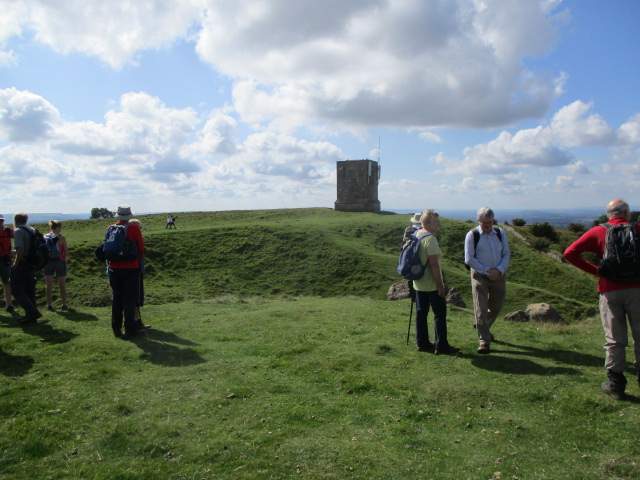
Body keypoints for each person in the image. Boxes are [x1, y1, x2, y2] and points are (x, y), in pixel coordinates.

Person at [564, 199, 640, 399]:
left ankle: (615, 384)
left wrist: (597, 272)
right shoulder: (637, 228)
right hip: (637, 289)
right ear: (627, 213)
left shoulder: (599, 231)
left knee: (614, 338)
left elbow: (569, 253)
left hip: (609, 291)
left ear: (609, 215)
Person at [464, 207, 510, 354]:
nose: (488, 225)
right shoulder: (472, 235)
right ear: (479, 221)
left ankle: (481, 325)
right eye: (484, 223)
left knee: (497, 306)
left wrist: (499, 270)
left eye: (490, 222)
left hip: (499, 275)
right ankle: (484, 340)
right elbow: (469, 258)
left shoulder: (500, 232)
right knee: (481, 308)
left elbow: (506, 253)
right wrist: (486, 271)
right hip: (479, 275)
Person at [413, 209, 458, 355]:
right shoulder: (430, 239)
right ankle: (442, 346)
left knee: (421, 314)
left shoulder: (416, 234)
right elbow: (434, 265)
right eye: (436, 222)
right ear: (428, 223)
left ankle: (422, 343)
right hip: (431, 285)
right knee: (439, 315)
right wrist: (441, 286)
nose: (438, 225)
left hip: (418, 283)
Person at [108, 206, 145, 338]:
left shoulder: (111, 228)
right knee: (129, 300)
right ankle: (130, 329)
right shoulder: (134, 228)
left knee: (117, 299)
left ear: (118, 216)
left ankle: (116, 328)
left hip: (113, 268)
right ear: (129, 216)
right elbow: (141, 248)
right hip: (130, 268)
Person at [11, 213, 42, 323]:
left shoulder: (18, 231)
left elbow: (20, 251)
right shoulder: (32, 230)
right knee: (29, 290)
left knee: (16, 289)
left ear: (15, 220)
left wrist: (15, 264)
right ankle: (31, 316)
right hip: (32, 263)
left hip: (23, 263)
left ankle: (32, 312)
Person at [128, 218, 149, 330]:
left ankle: (136, 322)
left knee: (133, 298)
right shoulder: (135, 240)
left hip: (128, 271)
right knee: (136, 298)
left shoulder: (126, 240)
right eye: (139, 228)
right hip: (135, 271)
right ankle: (136, 322)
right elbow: (141, 253)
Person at [43, 220, 69, 311]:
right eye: (60, 227)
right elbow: (66, 251)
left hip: (48, 262)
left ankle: (49, 305)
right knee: (62, 284)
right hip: (59, 261)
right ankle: (64, 304)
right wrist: (65, 260)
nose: (60, 229)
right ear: (57, 227)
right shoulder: (62, 238)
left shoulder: (45, 237)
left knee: (48, 284)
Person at [0, 215, 15, 313]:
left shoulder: (8, 231)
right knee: (7, 282)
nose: (0, 223)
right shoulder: (8, 231)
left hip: (5, 260)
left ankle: (9, 304)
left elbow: (17, 236)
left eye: (1, 221)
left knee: (7, 282)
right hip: (5, 259)